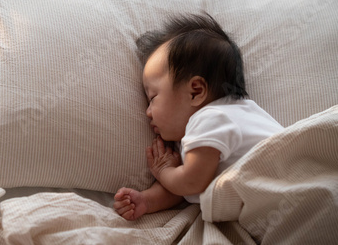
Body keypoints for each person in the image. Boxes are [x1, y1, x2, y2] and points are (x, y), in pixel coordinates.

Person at [113, 13, 283, 221]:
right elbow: (181, 189)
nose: (148, 111)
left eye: (153, 98)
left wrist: (164, 171)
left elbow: (191, 182)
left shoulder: (209, 119)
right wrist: (146, 200)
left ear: (195, 91)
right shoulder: (242, 112)